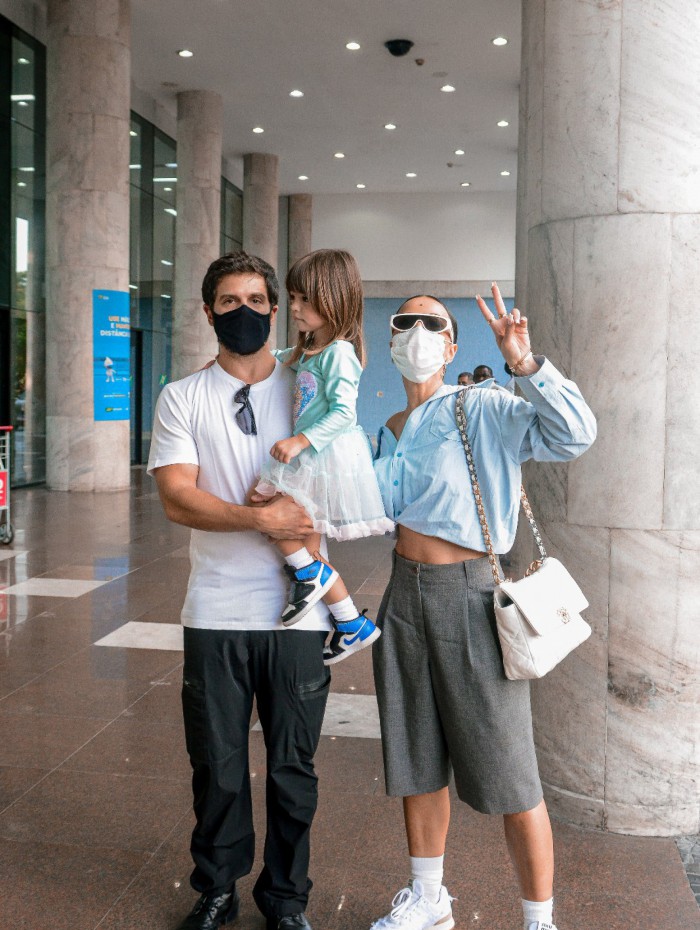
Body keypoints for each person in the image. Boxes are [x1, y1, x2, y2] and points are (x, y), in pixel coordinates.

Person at [370, 285, 596, 930]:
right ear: (392, 340)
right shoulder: (387, 429)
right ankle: (428, 899)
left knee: (509, 766)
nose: (416, 331)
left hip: (471, 593)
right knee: (415, 755)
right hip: (403, 593)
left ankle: (539, 920)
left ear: (451, 342)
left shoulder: (483, 406)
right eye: (404, 321)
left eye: (431, 322)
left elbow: (574, 436)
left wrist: (525, 364)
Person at [148, 251, 330, 930]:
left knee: (292, 768)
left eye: (257, 299)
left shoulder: (309, 392)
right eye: (229, 302)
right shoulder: (182, 397)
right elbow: (177, 498)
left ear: (276, 309)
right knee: (218, 766)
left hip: (302, 613)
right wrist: (263, 517)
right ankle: (218, 887)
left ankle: (286, 900)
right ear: (208, 312)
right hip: (217, 609)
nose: (245, 312)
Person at [255, 249, 394, 665]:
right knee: (297, 536)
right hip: (311, 456)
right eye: (292, 299)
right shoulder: (310, 349)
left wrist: (301, 441)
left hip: (324, 456)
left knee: (268, 511)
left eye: (304, 300)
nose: (294, 308)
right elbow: (276, 360)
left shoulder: (339, 353)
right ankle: (350, 622)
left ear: (333, 299)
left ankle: (310, 577)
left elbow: (344, 413)